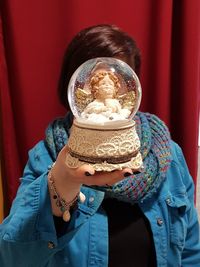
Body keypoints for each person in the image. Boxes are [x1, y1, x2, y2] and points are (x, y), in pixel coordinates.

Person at [0, 24, 200, 267]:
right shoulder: (46, 157)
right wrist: (61, 183)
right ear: (78, 88)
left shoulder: (168, 155)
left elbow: (191, 250)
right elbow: (13, 258)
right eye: (97, 83)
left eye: (116, 80)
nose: (106, 90)